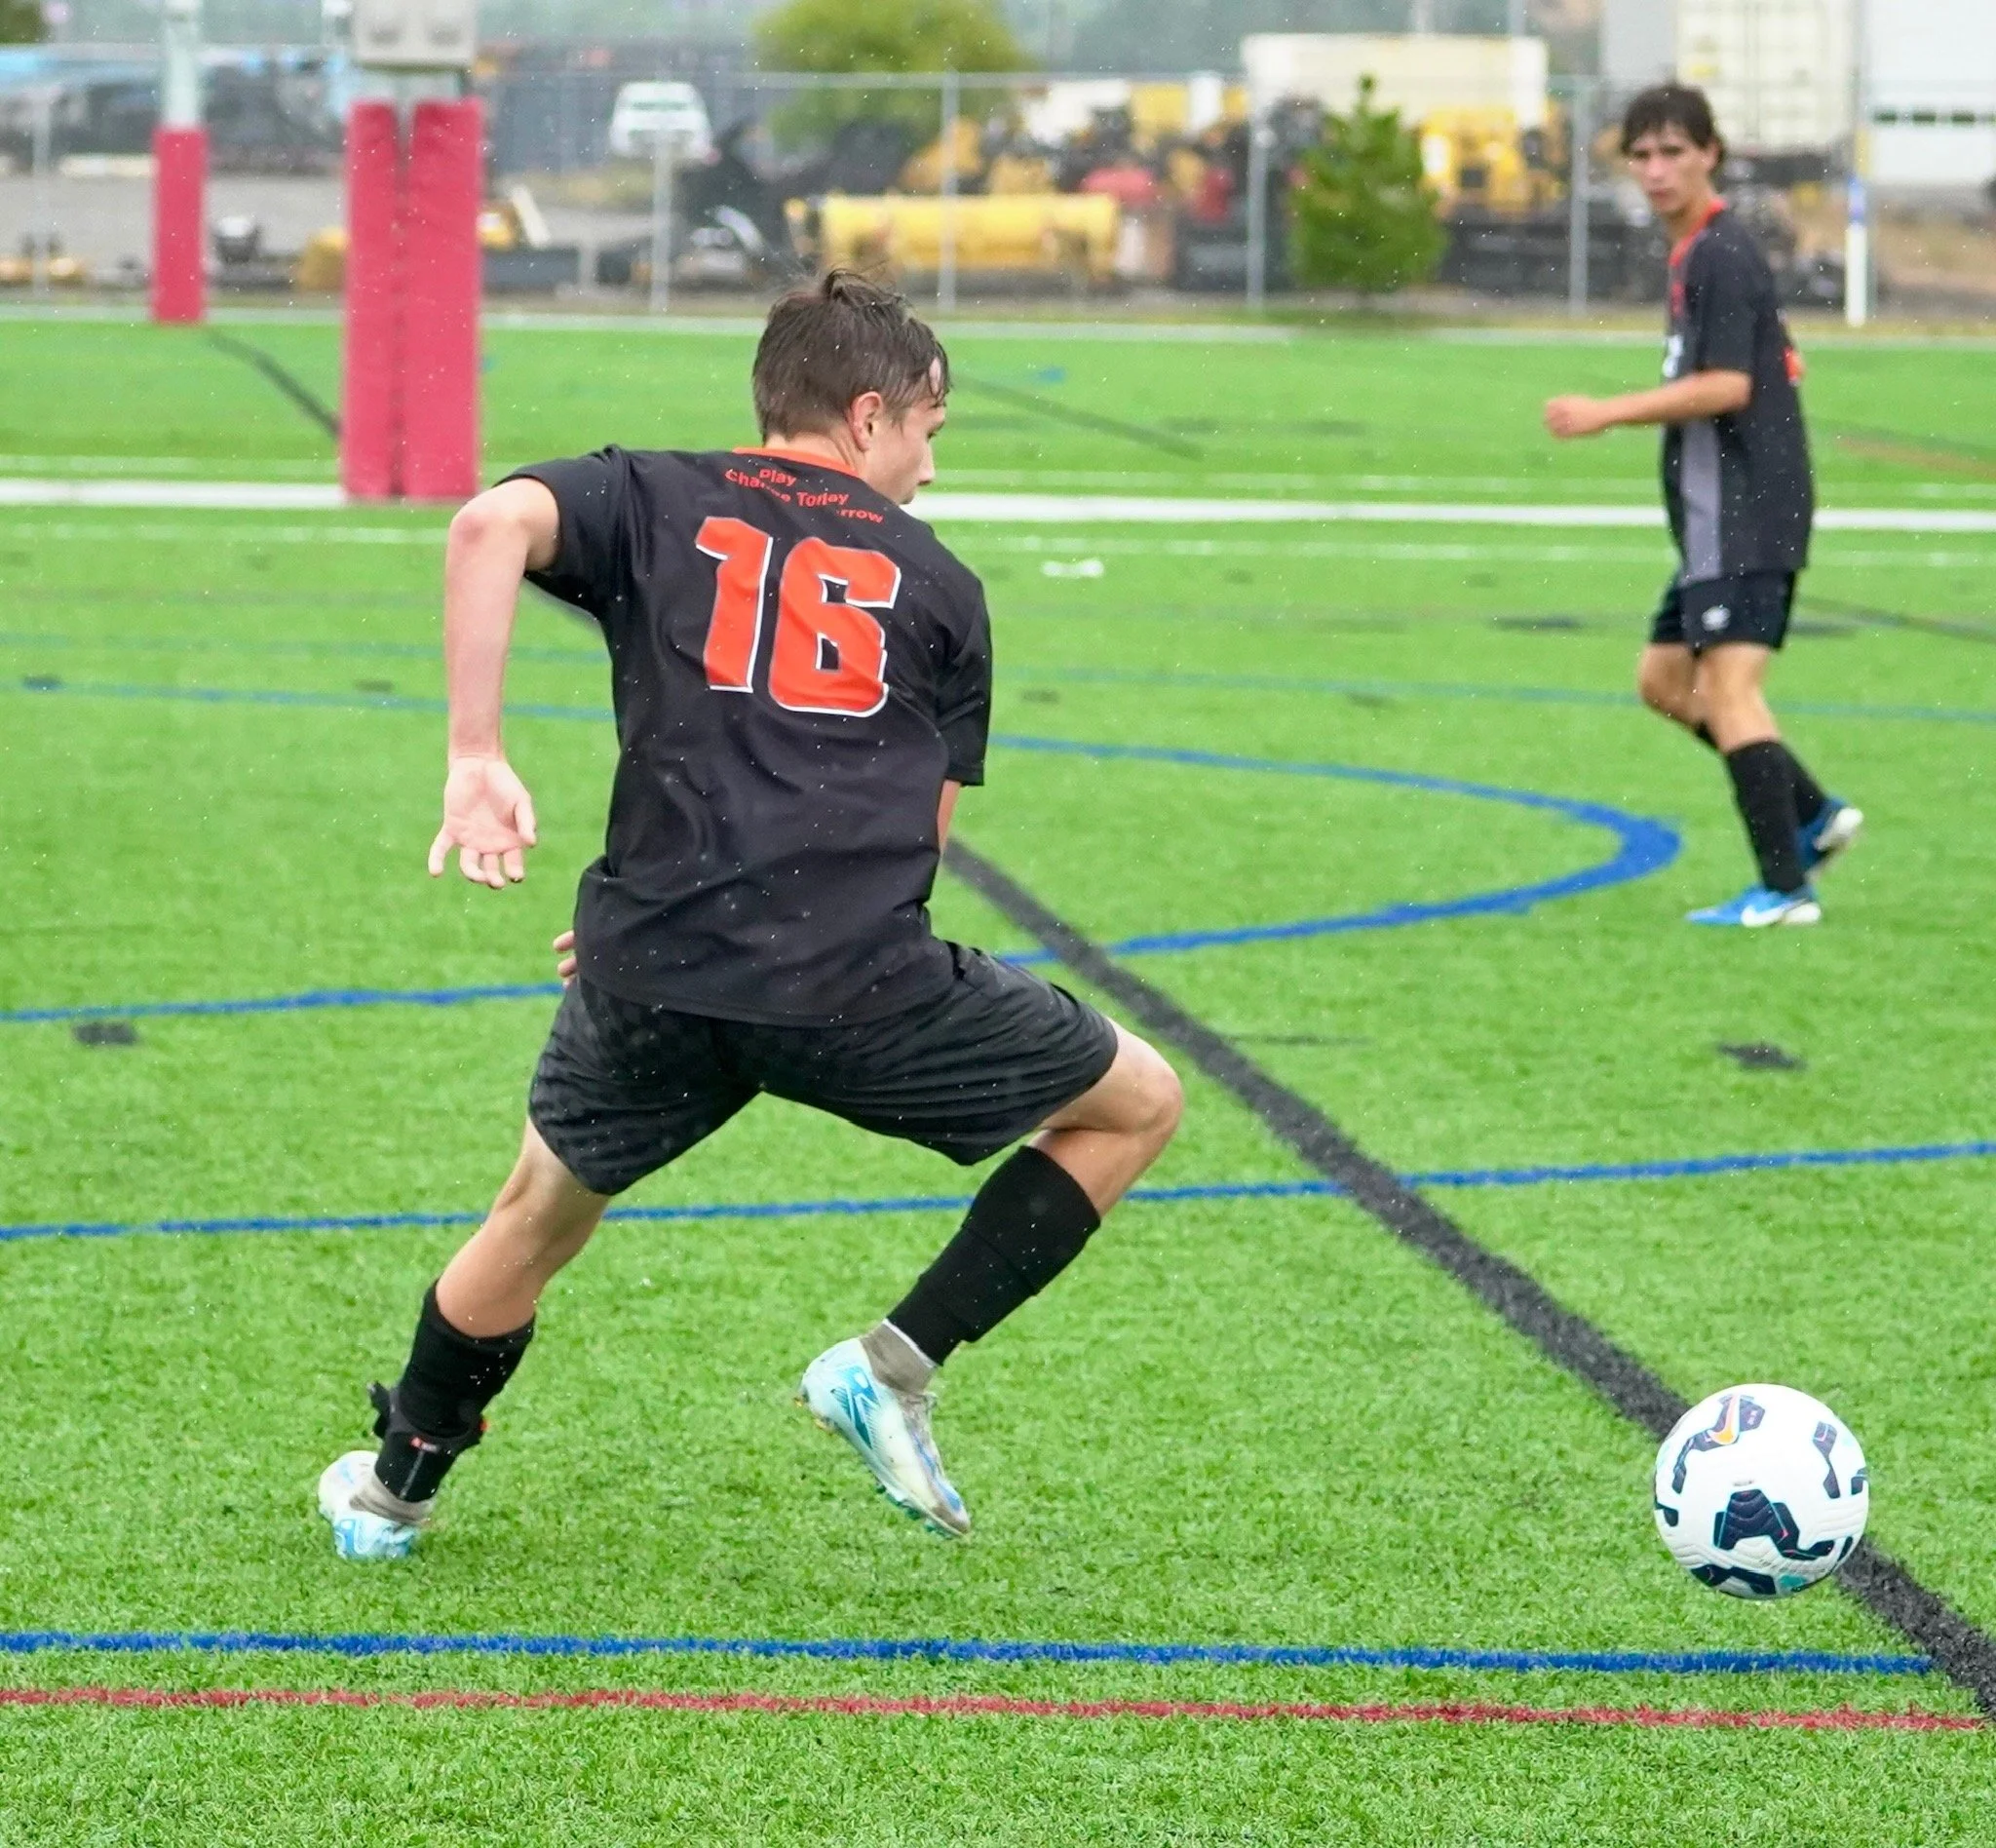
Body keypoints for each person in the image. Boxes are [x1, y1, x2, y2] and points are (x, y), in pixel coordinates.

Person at [316, 272, 1184, 1559]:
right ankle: (892, 1367)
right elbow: (922, 837)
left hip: (654, 970)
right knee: (1141, 1102)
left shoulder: (652, 496)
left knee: (533, 1221)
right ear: (869, 415)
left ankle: (391, 1500)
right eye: (931, 435)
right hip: (856, 985)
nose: (931, 470)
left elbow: (482, 528)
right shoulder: (939, 585)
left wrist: (476, 754)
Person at [1544, 84, 1862, 927]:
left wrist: (1606, 413)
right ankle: (1812, 813)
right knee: (1662, 679)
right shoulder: (1696, 255)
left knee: (1728, 690)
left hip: (1747, 513)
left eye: (1673, 152)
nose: (1655, 170)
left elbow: (1728, 384)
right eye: (1641, 155)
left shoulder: (1721, 252)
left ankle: (1785, 889)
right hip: (1718, 520)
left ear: (1709, 155)